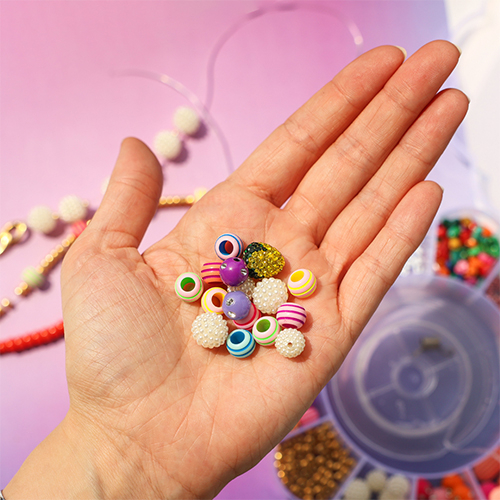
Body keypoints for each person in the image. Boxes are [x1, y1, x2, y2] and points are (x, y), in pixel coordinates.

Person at [3, 41, 468, 500]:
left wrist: (113, 453)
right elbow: (231, 295)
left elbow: (241, 294)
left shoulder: (252, 288)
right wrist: (117, 442)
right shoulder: (228, 294)